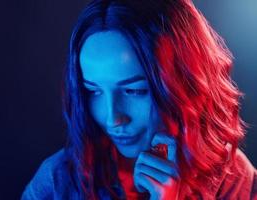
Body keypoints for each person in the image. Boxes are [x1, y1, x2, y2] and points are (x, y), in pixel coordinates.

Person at [21, 0, 257, 199]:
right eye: (93, 91)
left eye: (134, 91)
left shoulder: (233, 179)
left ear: (184, 82)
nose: (113, 118)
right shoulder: (57, 182)